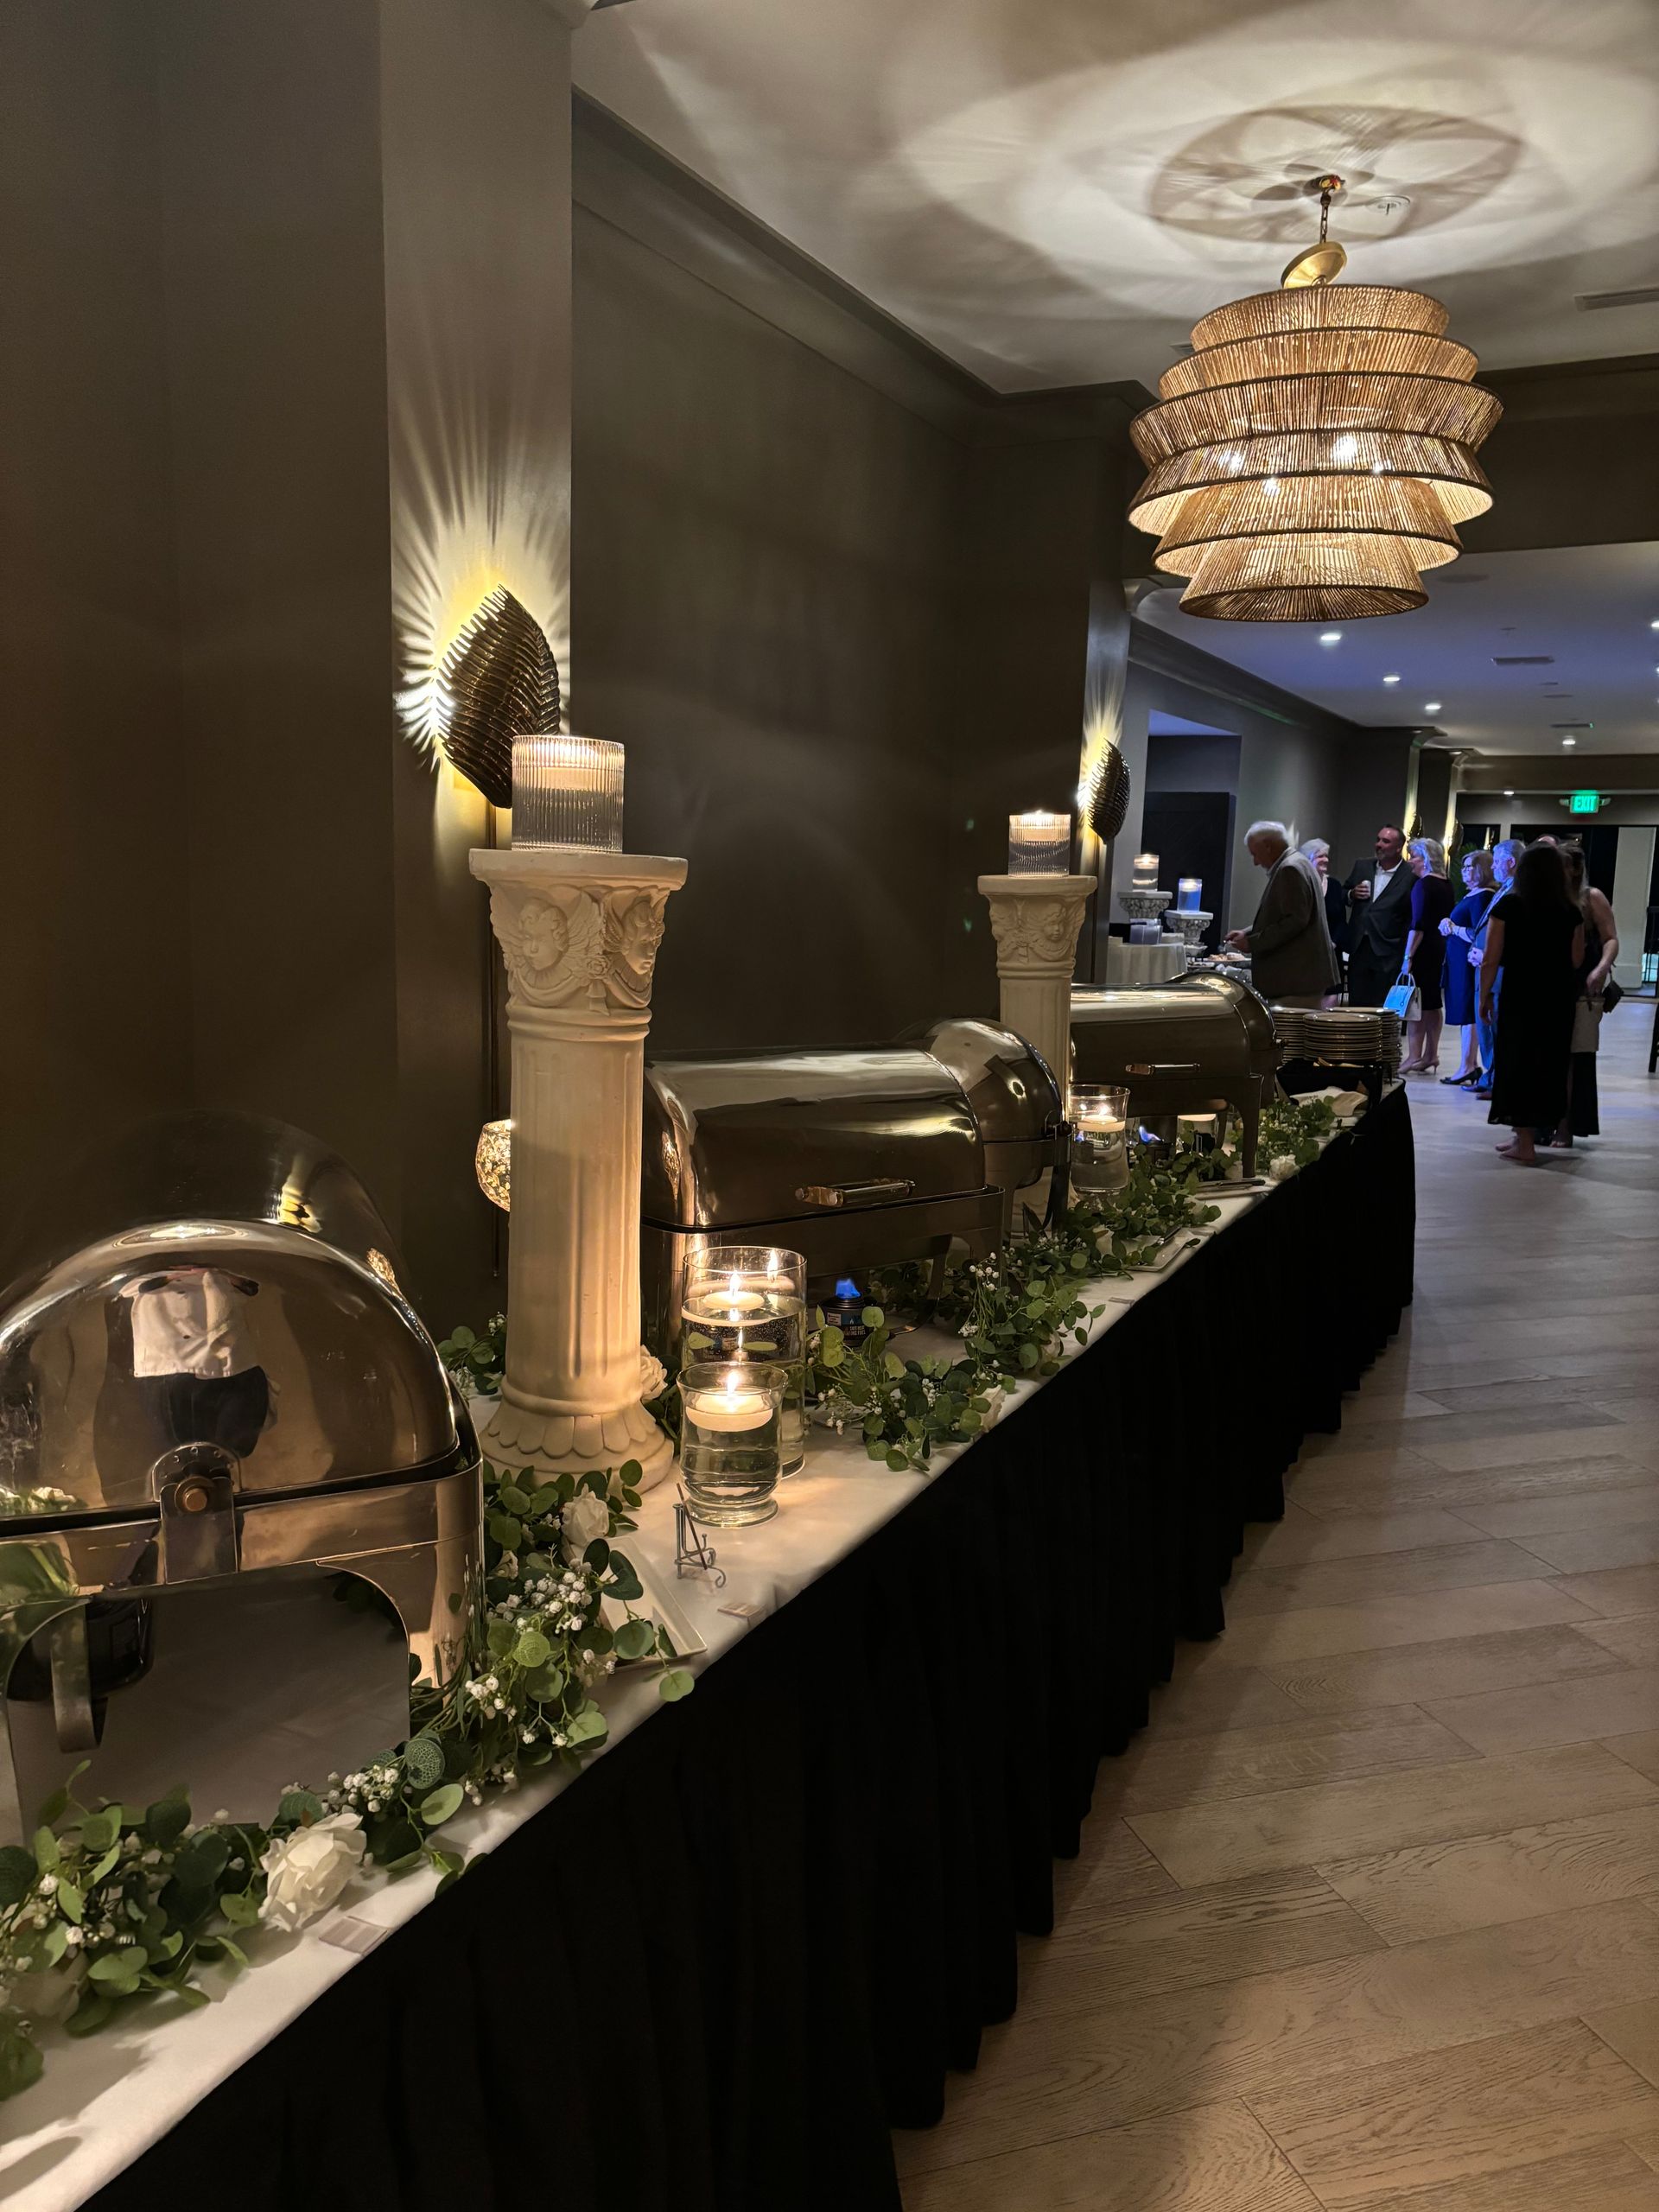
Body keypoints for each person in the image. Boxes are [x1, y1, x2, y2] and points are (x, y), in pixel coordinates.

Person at [1481, 842, 1583, 1165]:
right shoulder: (1571, 911)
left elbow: (1490, 958)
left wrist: (1483, 996)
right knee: (1547, 1061)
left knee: (1517, 1059)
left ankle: (1524, 1143)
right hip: (1557, 996)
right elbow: (1577, 959)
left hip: (1521, 993)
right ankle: (1525, 1134)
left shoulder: (1509, 906)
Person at [1548, 843, 1620, 1146]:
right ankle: (1543, 1122)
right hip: (1551, 985)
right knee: (1550, 1057)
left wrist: (1601, 969)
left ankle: (1565, 1126)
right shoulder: (1549, 897)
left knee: (1573, 1058)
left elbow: (1611, 939)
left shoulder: (1591, 898)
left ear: (1575, 868)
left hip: (1581, 986)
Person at [1225, 820, 1338, 1006]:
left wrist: (1252, 942)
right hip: (1303, 979)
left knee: (1289, 1033)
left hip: (1295, 980)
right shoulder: (1298, 861)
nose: (1255, 862)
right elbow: (1286, 916)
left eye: (1255, 854)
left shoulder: (1289, 868)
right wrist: (1247, 932)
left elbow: (1294, 921)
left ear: (1268, 846)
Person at [1470, 838, 1525, 1097]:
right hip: (1486, 966)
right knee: (1488, 1030)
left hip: (1500, 973)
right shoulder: (1504, 889)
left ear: (1511, 862)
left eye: (1497, 861)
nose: (1493, 867)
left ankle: (1498, 1082)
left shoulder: (1517, 894)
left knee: (1496, 1029)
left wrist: (1488, 953)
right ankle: (1491, 1077)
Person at [1437, 847, 1496, 1084]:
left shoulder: (1484, 895)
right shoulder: (1472, 894)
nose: (1465, 871)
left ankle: (1468, 1065)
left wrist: (1454, 928)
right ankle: (1466, 1064)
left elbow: (1480, 934)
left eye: (1471, 866)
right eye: (1465, 866)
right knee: (1464, 1013)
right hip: (1458, 960)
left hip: (1468, 962)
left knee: (1468, 1013)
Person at [1399, 837, 1456, 1074]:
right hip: (1440, 947)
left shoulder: (1423, 885)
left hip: (1423, 949)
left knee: (1416, 1004)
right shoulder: (1447, 883)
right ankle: (1431, 1054)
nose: (1410, 861)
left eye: (1414, 856)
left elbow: (1418, 924)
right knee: (1433, 1004)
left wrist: (1407, 957)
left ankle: (1413, 1056)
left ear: (1426, 859)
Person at [1343, 825, 1414, 1006]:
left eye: (1386, 841)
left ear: (1399, 847)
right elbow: (1343, 893)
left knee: (1383, 1005)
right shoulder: (1362, 866)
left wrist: (1406, 953)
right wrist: (1352, 894)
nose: (1379, 845)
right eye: (1378, 839)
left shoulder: (1410, 874)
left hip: (1388, 949)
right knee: (1357, 1002)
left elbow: (1411, 915)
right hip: (1359, 946)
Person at [1300, 838, 1348, 990]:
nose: (1326, 860)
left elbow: (1341, 920)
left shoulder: (1334, 885)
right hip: (1306, 955)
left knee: (1330, 1001)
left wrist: (1333, 943)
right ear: (1309, 859)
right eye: (1320, 856)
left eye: (1326, 856)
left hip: (1331, 954)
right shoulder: (1300, 884)